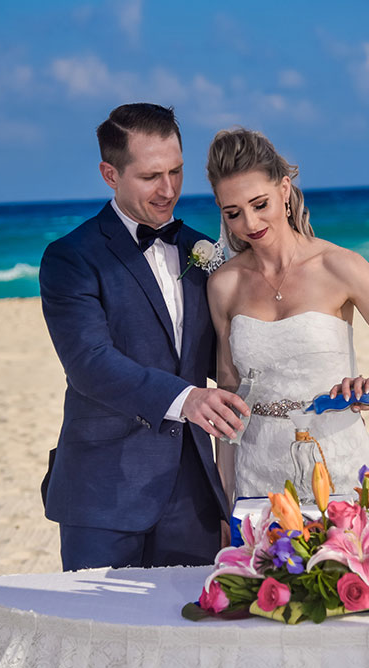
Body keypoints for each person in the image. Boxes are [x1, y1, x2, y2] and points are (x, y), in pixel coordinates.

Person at [39, 103, 249, 571]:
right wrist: (187, 399)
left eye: (176, 171)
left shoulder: (205, 251)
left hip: (193, 496)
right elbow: (90, 363)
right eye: (151, 176)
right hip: (103, 494)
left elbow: (227, 356)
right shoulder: (70, 258)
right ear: (109, 173)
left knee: (189, 637)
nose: (169, 189)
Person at [205, 128, 369, 503]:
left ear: (283, 190)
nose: (249, 223)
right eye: (233, 213)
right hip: (257, 477)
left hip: (339, 462)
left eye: (259, 204)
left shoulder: (340, 266)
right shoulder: (224, 286)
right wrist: (226, 504)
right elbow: (230, 400)